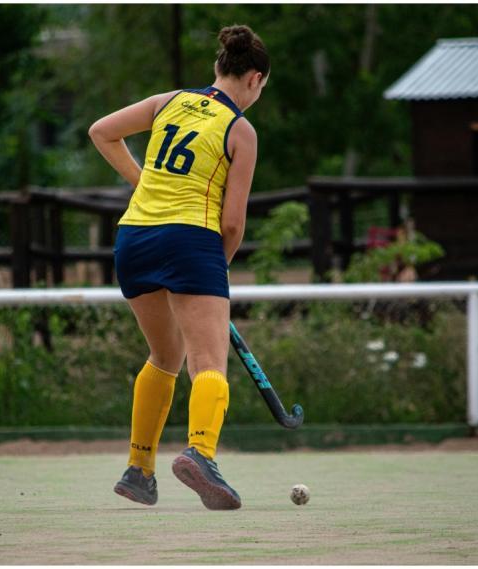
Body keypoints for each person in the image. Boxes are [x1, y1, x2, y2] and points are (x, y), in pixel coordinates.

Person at [88, 24, 269, 510]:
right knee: (207, 362)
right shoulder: (241, 131)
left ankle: (138, 469)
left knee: (163, 355)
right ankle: (201, 454)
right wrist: (216, 272)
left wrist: (144, 182)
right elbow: (232, 224)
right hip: (191, 239)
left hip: (134, 238)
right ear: (255, 80)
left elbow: (101, 132)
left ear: (217, 68)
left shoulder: (170, 101)